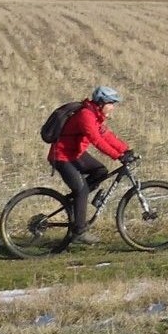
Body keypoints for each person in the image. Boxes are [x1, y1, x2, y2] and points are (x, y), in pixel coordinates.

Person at [48, 86, 133, 246]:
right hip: (61, 156)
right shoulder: (86, 116)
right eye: (111, 103)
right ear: (101, 102)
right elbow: (96, 140)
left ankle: (75, 203)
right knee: (82, 190)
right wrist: (118, 156)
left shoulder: (95, 115)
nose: (113, 107)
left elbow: (105, 135)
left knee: (100, 171)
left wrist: (125, 149)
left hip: (75, 153)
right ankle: (79, 231)